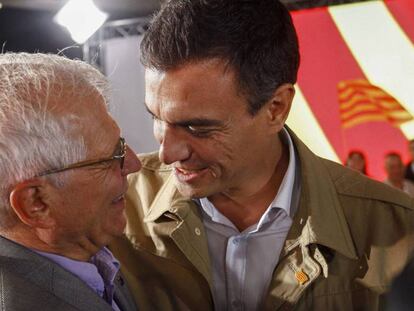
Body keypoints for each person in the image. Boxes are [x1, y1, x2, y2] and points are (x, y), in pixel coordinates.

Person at [110, 0, 414, 310]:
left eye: (197, 127)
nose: (167, 152)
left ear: (276, 109)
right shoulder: (112, 206)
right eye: (157, 118)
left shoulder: (397, 227)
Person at [0, 53, 141, 311]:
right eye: (112, 156)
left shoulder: (85, 250)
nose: (134, 164)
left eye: (121, 144)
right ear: (36, 203)